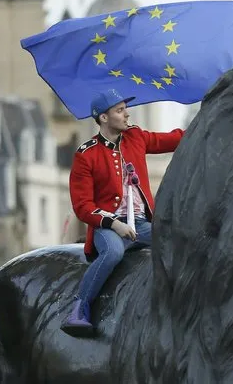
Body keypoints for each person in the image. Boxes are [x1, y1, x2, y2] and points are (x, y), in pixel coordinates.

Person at [60, 89, 185, 337]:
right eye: (119, 110)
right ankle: (79, 309)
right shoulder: (86, 155)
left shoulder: (136, 137)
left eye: (125, 109)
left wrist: (209, 122)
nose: (127, 114)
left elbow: (173, 139)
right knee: (114, 251)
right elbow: (82, 206)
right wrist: (114, 224)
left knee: (179, 238)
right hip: (107, 228)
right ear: (103, 118)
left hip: (142, 224)